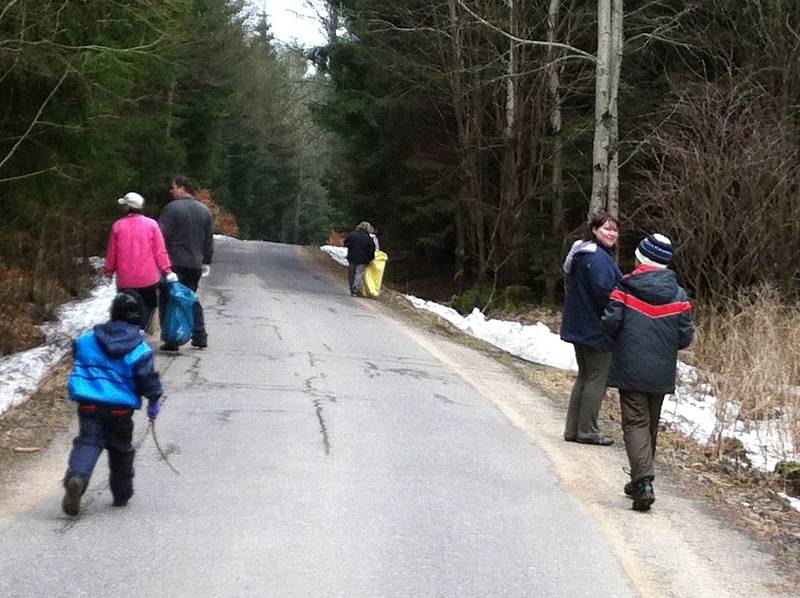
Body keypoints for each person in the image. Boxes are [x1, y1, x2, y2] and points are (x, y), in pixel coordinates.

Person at [602, 233, 693, 511]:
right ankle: (639, 479)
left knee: (635, 423)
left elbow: (610, 323)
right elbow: (684, 338)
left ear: (641, 257)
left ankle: (643, 482)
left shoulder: (626, 288)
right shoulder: (679, 295)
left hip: (631, 366)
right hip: (661, 370)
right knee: (649, 423)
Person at [62, 291, 163, 516]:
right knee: (120, 450)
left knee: (88, 443)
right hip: (120, 409)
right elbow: (148, 379)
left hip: (89, 405)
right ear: (138, 317)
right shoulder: (140, 349)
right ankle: (121, 493)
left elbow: (76, 350)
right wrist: (154, 398)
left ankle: (76, 477)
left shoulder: (87, 340)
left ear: (112, 313)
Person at [560, 212, 622, 446]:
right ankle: (587, 431)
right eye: (606, 229)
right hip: (596, 328)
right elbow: (606, 294)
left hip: (579, 325)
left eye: (615, 230)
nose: (611, 233)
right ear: (594, 230)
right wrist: (618, 317)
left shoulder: (583, 255)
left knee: (585, 377)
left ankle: (573, 429)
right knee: (596, 378)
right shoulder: (598, 260)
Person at [104, 192, 177, 331]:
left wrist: (109, 271)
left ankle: (128, 333)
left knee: (127, 308)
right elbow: (159, 251)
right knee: (149, 306)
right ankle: (142, 330)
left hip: (126, 280)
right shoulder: (152, 225)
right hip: (149, 279)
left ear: (127, 207)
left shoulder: (118, 226)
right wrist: (167, 270)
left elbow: (112, 252)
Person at [158, 175, 214, 350]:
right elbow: (208, 240)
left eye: (173, 187)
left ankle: (172, 338)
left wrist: (160, 259)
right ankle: (199, 335)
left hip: (175, 263)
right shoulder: (204, 211)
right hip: (195, 264)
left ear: (182, 188)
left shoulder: (172, 209)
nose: (172, 191)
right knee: (190, 298)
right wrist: (206, 260)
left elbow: (160, 236)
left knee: (171, 300)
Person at [343, 221, 375, 296]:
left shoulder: (352, 235)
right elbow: (371, 250)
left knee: (351, 274)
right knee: (359, 274)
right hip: (363, 259)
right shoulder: (368, 238)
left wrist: (350, 247)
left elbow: (346, 243)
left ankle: (352, 289)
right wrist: (370, 259)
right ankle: (356, 289)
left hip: (352, 257)